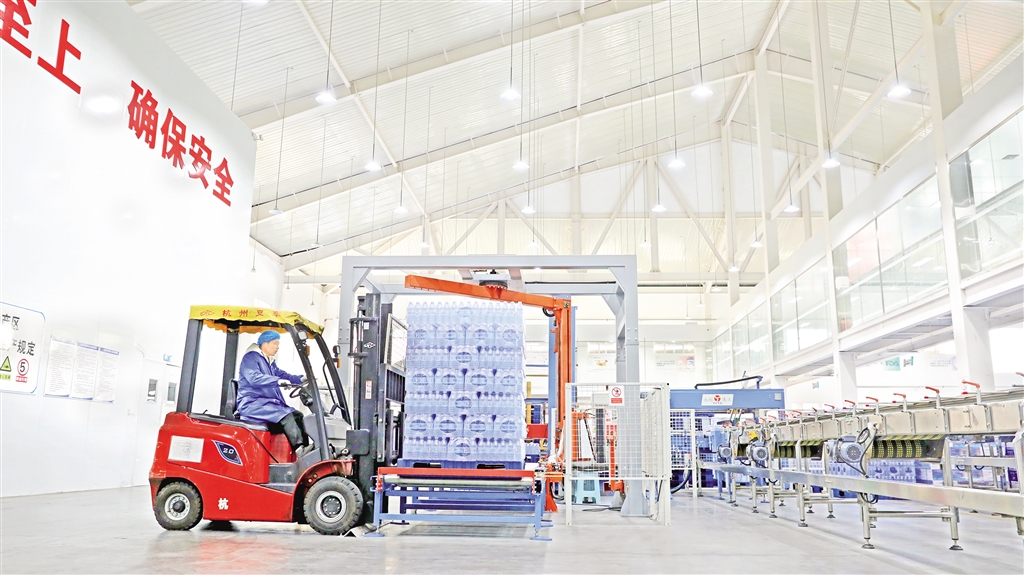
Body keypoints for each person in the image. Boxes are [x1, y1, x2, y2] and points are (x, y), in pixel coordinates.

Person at [237, 330, 314, 456]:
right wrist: (277, 381)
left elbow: (282, 374)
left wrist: (300, 379)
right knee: (286, 415)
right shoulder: (251, 358)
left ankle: (306, 451)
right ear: (264, 343)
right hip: (253, 404)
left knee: (298, 415)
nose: (277, 347)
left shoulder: (269, 361)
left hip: (265, 403)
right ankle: (299, 450)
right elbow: (254, 378)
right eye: (275, 343)